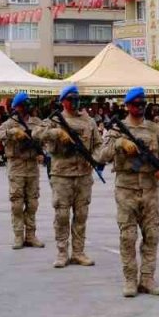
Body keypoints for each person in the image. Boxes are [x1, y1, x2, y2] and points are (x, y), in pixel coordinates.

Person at [95, 87, 159, 298]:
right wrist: (119, 143)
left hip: (151, 189)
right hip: (126, 190)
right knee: (128, 236)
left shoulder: (154, 129)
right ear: (127, 106)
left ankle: (147, 278)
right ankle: (129, 279)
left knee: (152, 235)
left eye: (143, 104)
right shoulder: (117, 130)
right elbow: (101, 156)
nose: (140, 107)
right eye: (136, 104)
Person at [36, 85, 101, 268]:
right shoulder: (55, 120)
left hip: (83, 175)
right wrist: (55, 132)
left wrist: (94, 159)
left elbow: (98, 145)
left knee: (81, 215)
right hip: (61, 175)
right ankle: (62, 252)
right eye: (71, 99)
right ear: (63, 101)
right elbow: (36, 134)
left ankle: (78, 252)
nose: (74, 102)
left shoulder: (88, 122)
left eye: (77, 99)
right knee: (62, 215)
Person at [0, 93, 46, 250]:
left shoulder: (36, 122)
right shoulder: (10, 123)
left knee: (32, 202)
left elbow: (45, 136)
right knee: (17, 203)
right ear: (17, 107)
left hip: (32, 166)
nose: (26, 107)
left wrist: (42, 152)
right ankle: (18, 235)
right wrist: (11, 133)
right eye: (23, 105)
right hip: (16, 165)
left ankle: (31, 235)